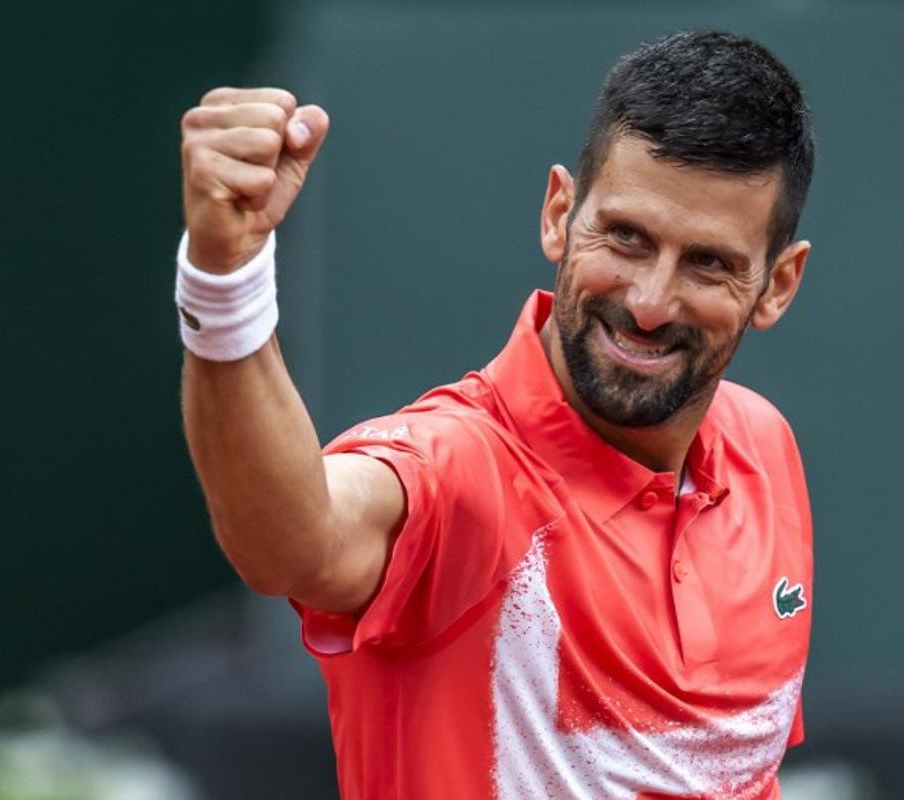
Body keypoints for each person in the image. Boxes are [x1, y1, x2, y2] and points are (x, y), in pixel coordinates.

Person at [176, 30, 814, 800]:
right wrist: (224, 280)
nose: (649, 302)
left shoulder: (764, 448)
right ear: (558, 215)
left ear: (778, 285)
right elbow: (292, 544)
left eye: (707, 263)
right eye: (625, 238)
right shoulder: (458, 472)